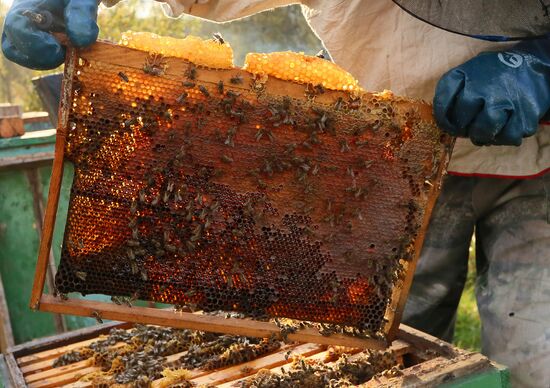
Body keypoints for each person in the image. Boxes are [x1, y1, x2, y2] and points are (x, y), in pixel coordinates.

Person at [3, 1, 549, 386]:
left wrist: (542, 64)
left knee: (535, 353)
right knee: (394, 348)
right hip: (392, 163)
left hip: (540, 167)